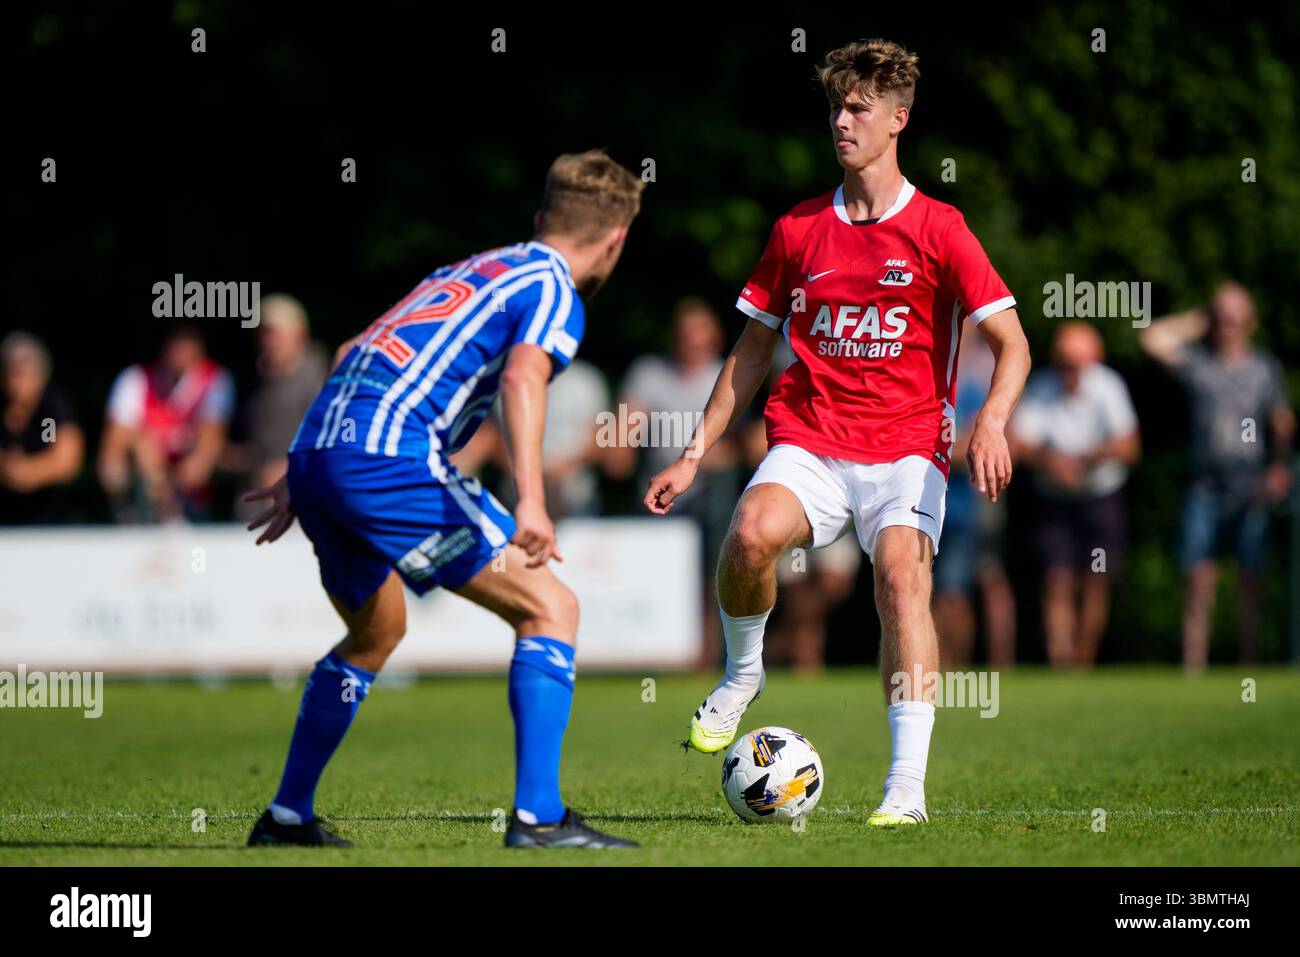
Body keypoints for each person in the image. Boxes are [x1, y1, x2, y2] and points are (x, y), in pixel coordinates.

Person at [643, 39, 1031, 827]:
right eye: (835, 107)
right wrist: (693, 453)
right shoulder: (798, 229)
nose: (842, 121)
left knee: (900, 580)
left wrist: (991, 419)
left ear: (899, 121)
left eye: (858, 108)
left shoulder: (941, 228)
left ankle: (906, 790)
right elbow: (751, 352)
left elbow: (1014, 343)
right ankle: (744, 672)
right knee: (749, 535)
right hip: (813, 438)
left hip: (908, 448)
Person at [242, 151, 643, 849]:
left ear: (541, 219)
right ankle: (539, 818)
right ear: (617, 238)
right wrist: (532, 502)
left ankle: (287, 816)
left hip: (323, 452)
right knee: (553, 606)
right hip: (386, 458)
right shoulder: (554, 288)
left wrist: (304, 467)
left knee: (376, 631)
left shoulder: (466, 269)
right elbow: (524, 377)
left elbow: (348, 350)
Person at [1141, 282, 1295, 669]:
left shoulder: (1264, 368)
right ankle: (1195, 667)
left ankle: (1249, 666)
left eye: (1234, 317)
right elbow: (1151, 337)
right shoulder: (1198, 364)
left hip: (1250, 484)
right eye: (1221, 317)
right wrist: (1198, 321)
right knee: (1198, 577)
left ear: (1250, 321)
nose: (1228, 325)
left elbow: (1280, 422)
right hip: (1205, 483)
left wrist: (1278, 467)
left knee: (1250, 579)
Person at [618, 298, 744, 666]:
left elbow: (741, 443)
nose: (691, 338)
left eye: (699, 329)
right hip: (658, 490)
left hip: (710, 491)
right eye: (684, 330)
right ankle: (660, 656)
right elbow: (625, 428)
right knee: (663, 578)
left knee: (711, 577)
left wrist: (697, 462)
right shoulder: (650, 374)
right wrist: (615, 441)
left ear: (715, 336)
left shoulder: (727, 375)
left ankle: (705, 660)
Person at [1011, 322, 1140, 668]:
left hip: (1100, 496)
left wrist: (1085, 459)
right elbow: (1019, 442)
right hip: (1054, 500)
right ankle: (1061, 659)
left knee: (1095, 580)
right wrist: (1051, 462)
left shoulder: (1108, 387)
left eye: (1076, 362)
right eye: (1065, 362)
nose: (1070, 370)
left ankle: (1084, 657)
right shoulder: (1041, 386)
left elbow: (1129, 445)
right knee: (1057, 577)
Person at [932, 321, 1016, 668]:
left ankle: (957, 667)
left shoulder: (984, 370)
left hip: (970, 502)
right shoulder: (931, 363)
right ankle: (939, 668)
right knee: (934, 593)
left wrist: (936, 448)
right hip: (933, 499)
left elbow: (978, 444)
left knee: (956, 590)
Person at [98, 326, 234, 523]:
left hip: (190, 479)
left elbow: (212, 435)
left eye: (187, 345)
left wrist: (194, 466)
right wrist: (117, 464)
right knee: (124, 461)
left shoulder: (215, 379)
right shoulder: (136, 378)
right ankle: (134, 517)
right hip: (146, 476)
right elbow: (115, 439)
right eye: (177, 345)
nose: (181, 353)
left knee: (201, 462)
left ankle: (188, 517)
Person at [232, 294, 328, 519]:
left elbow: (342, 437)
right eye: (262, 333)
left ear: (299, 334)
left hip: (304, 500)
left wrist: (291, 466)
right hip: (256, 498)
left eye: (273, 332)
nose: (267, 341)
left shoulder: (320, 379)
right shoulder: (255, 380)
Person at [0, 332, 84, 524]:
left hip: (50, 519)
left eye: (22, 374)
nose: (16, 382)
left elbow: (65, 460)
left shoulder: (51, 411)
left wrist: (27, 473)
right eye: (11, 374)